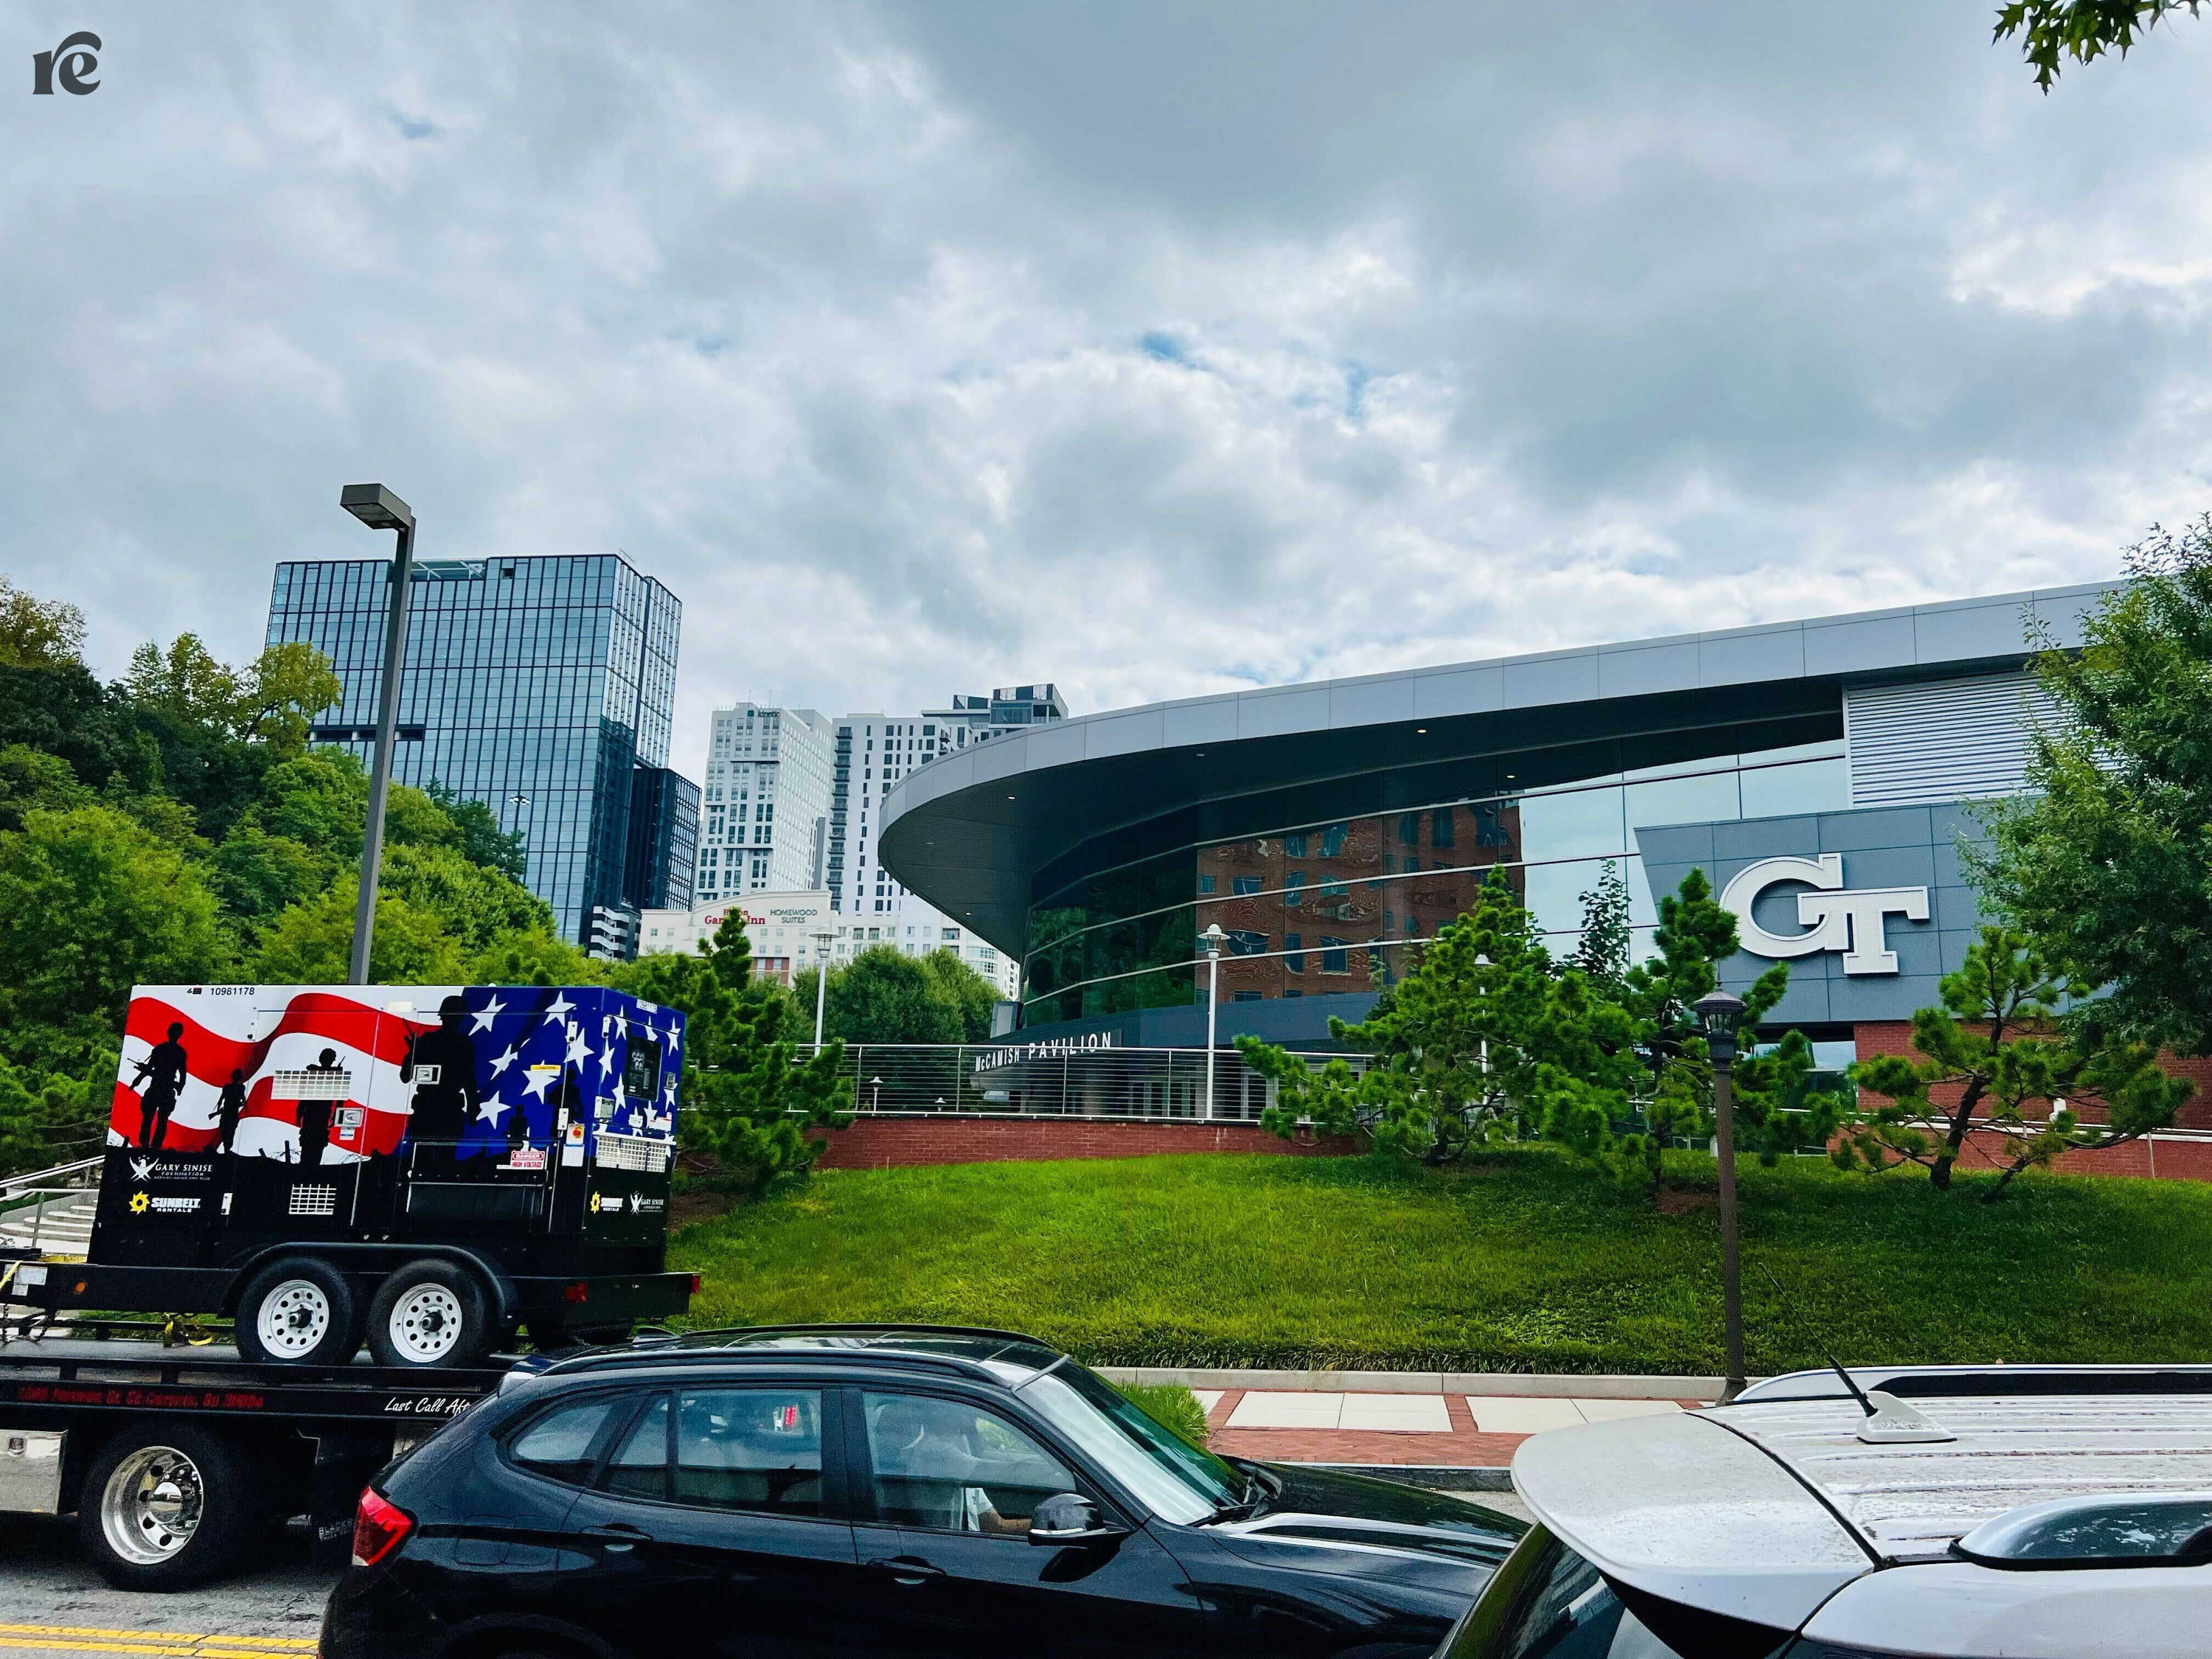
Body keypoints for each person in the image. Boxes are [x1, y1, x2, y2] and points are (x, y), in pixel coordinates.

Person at [869, 1399, 1033, 1535]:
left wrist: (1043, 1526)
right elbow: (1011, 1474)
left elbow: (995, 1526)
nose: (971, 1421)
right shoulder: (935, 1453)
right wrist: (1050, 1470)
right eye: (968, 1415)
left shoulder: (962, 1461)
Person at [400, 996, 482, 1166]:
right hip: (438, 1110)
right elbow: (469, 1080)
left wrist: (415, 1053)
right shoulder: (462, 1043)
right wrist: (414, 1053)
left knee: (429, 1159)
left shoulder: (429, 1042)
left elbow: (468, 1078)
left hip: (435, 1109)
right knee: (438, 1161)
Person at [130, 1023, 189, 1150]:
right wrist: (180, 1087)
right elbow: (182, 1074)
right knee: (157, 1119)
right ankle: (151, 1145)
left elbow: (149, 1069)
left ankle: (148, 1145)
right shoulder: (178, 1052)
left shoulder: (160, 1049)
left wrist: (137, 1080)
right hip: (163, 1089)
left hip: (159, 1088)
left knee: (153, 1118)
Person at [296, 1048, 344, 1169]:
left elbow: (340, 1099)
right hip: (315, 1113)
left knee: (316, 1142)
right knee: (311, 1142)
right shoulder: (318, 1073)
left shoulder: (322, 1073)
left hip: (320, 1113)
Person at [214, 1068, 247, 1155]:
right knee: (229, 1131)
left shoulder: (228, 1087)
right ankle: (227, 1149)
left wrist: (218, 1111)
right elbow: (243, 1101)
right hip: (231, 1113)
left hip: (228, 1112)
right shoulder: (240, 1088)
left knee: (226, 1130)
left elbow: (221, 1100)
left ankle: (227, 1149)